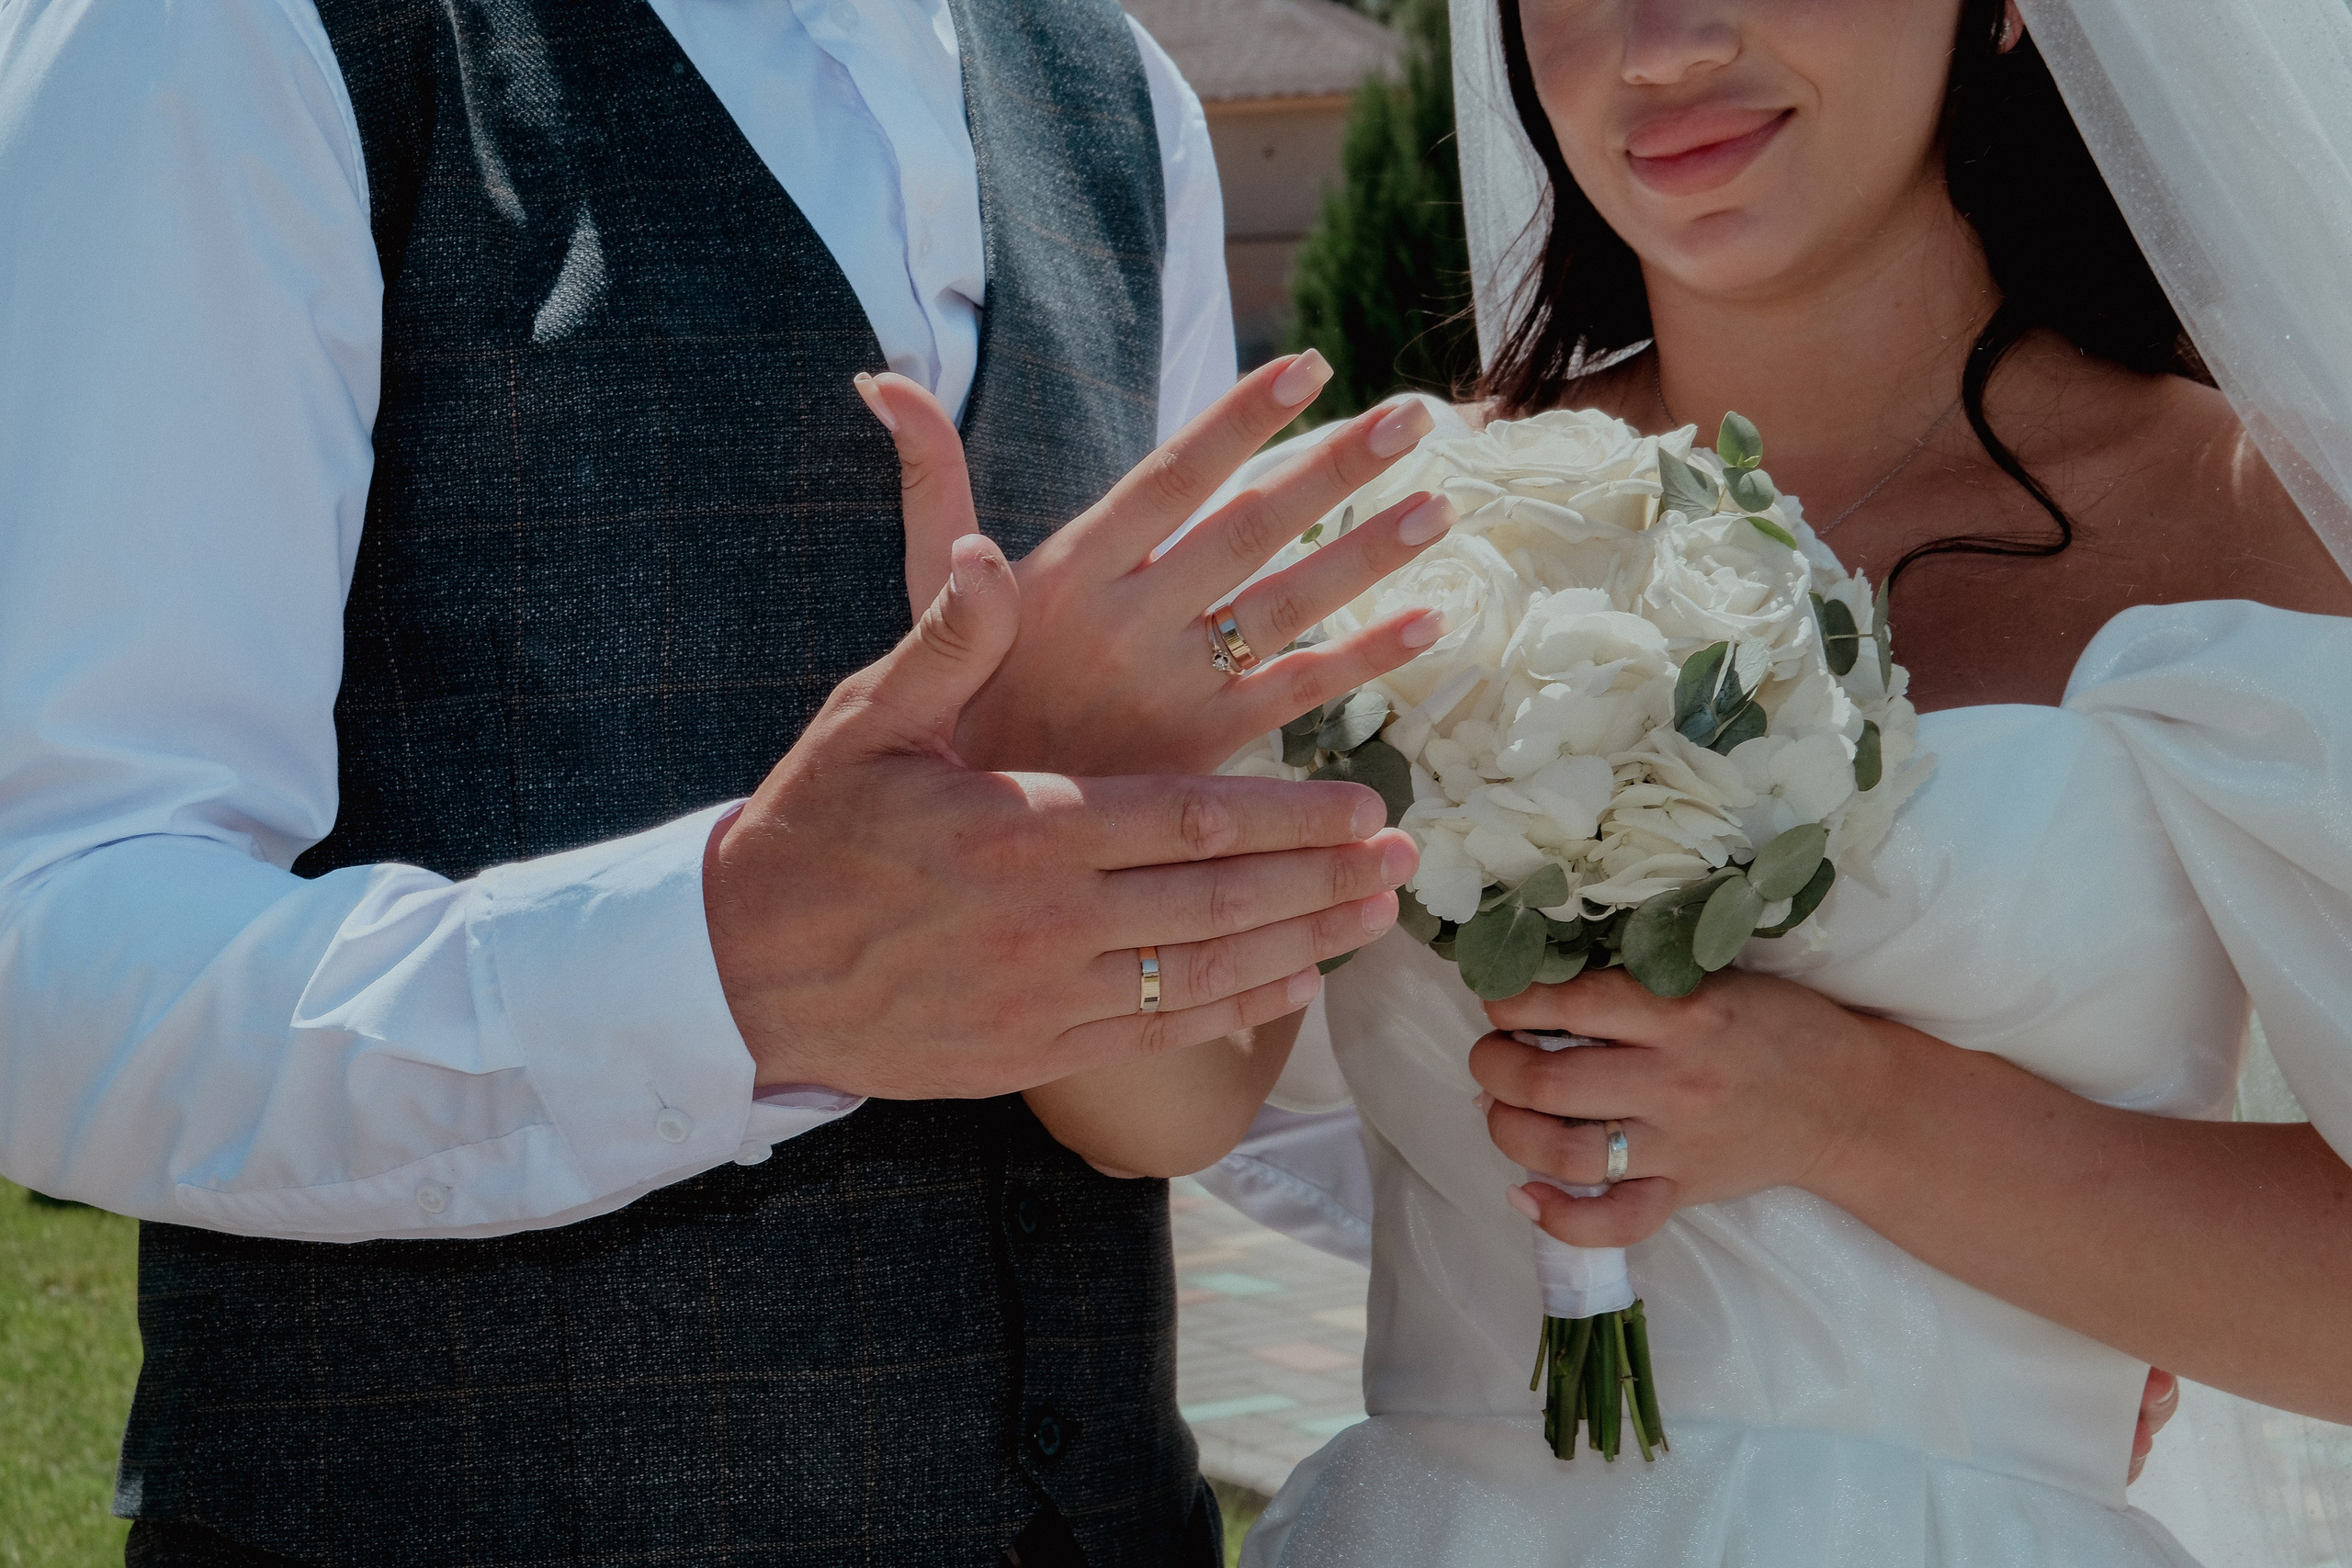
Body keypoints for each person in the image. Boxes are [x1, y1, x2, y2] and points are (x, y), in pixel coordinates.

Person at [0, 2, 1461, 1564]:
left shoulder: (1117, 91)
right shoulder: (236, 38)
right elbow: (45, 945)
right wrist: (731, 967)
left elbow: (1182, 1075)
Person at [1022, 0, 2352, 1562]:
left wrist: (1850, 1112)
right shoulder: (1403, 524)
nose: (1654, 49)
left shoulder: (2267, 528)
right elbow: (1161, 1112)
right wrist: (1053, 781)